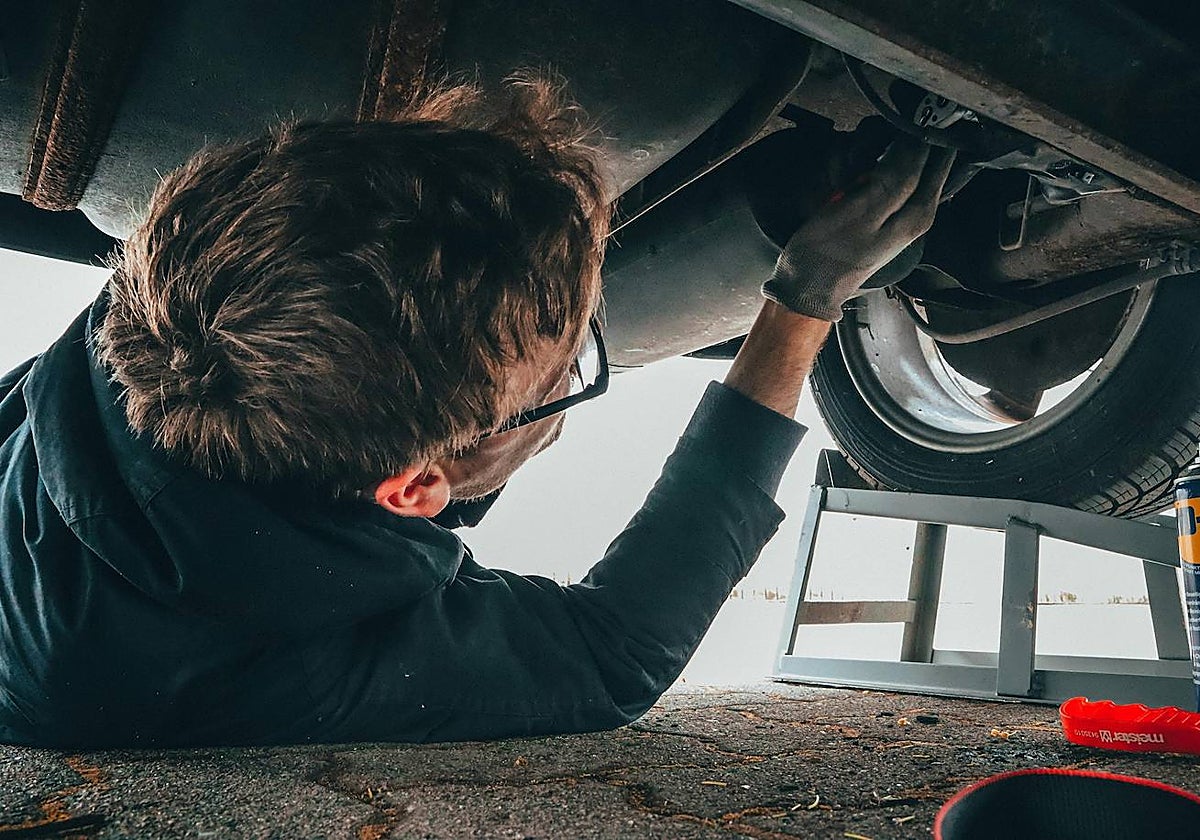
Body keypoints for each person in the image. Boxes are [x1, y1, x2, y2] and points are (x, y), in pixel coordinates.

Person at [0, 79, 953, 748]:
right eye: (567, 372)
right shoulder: (234, 662)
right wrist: (804, 299)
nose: (573, 375)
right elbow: (614, 653)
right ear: (414, 487)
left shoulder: (189, 300)